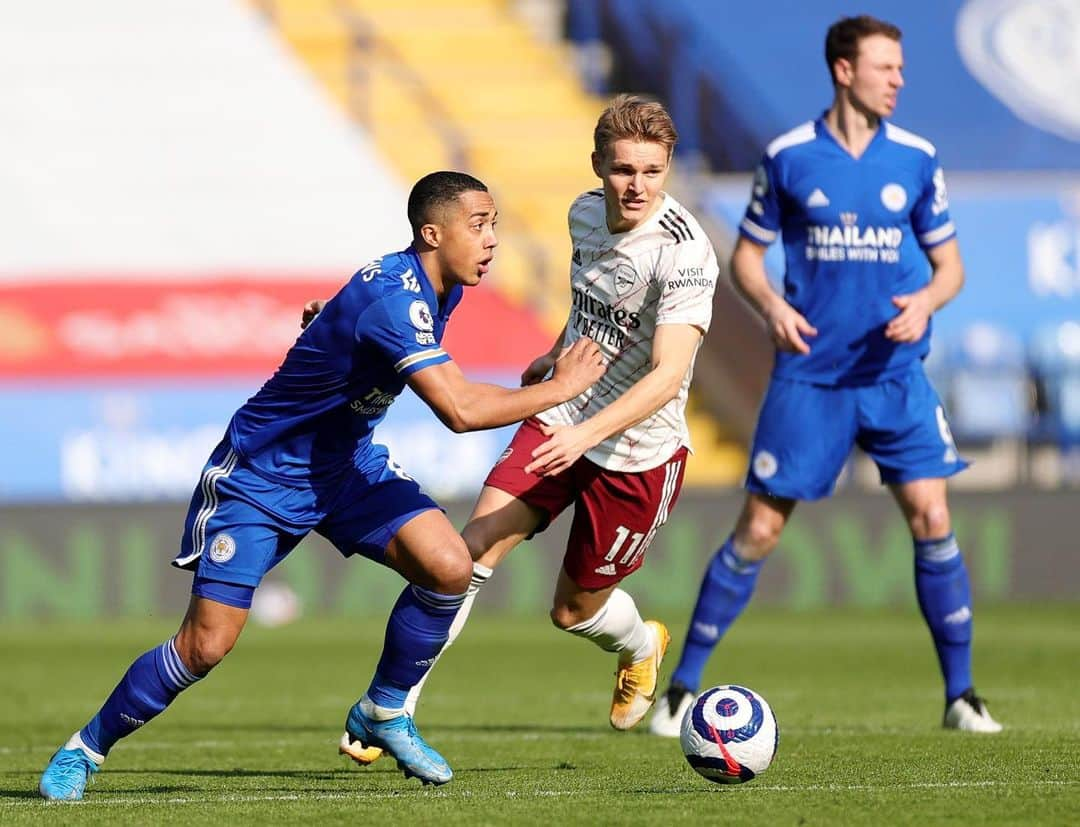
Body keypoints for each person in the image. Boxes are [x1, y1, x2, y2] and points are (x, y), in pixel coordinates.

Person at [37, 171, 606, 800]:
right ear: (432, 233)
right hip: (261, 477)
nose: (492, 239)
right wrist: (560, 388)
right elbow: (460, 410)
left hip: (345, 469)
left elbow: (354, 326)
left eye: (494, 224)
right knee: (205, 645)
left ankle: (385, 712)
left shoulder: (434, 286)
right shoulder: (399, 298)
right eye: (479, 225)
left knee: (448, 567)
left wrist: (330, 322)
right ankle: (84, 749)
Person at [322, 95, 719, 771]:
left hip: (637, 449)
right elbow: (595, 305)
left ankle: (641, 647)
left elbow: (667, 373)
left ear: (668, 168)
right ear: (597, 164)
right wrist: (556, 357)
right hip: (562, 415)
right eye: (623, 168)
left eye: (652, 171)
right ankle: (393, 706)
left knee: (572, 610)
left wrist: (587, 428)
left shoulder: (685, 256)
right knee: (466, 554)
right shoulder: (585, 213)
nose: (636, 185)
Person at [649, 15, 1002, 738]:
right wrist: (773, 305)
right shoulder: (788, 158)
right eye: (886, 67)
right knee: (759, 529)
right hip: (812, 378)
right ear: (844, 71)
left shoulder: (916, 159)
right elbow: (746, 257)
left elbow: (952, 267)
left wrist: (926, 303)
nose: (899, 80)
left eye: (901, 68)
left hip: (896, 374)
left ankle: (962, 696)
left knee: (934, 518)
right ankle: (682, 688)